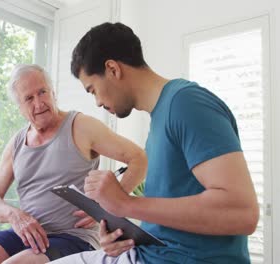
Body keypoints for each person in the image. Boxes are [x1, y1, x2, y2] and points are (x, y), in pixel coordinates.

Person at [50, 22, 260, 264]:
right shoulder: (160, 118)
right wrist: (122, 236)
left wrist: (126, 204)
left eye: (93, 89)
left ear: (112, 69)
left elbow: (242, 213)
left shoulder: (187, 104)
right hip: (146, 254)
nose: (97, 102)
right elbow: (170, 217)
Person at [0, 64, 147, 264]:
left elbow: (138, 158)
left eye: (42, 92)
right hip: (28, 235)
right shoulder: (17, 143)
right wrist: (15, 215)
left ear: (53, 93)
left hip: (74, 238)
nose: (38, 103)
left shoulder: (81, 126)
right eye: (29, 98)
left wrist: (110, 203)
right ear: (19, 107)